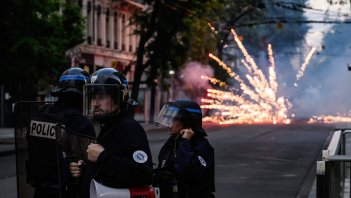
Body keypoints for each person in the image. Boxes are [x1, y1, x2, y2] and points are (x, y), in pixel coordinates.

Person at [70, 67, 153, 197]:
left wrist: (102, 156)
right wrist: (84, 169)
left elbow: (143, 173)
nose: (95, 104)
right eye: (93, 97)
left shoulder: (129, 128)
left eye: (102, 96)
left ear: (119, 97)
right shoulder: (109, 126)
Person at [26, 67, 96, 198]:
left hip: (40, 191)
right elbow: (88, 166)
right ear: (85, 94)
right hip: (66, 192)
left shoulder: (40, 113)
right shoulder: (81, 122)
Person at [153, 99, 215, 198]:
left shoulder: (201, 146)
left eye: (173, 119)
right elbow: (165, 168)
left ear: (187, 121)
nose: (169, 123)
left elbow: (186, 170)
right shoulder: (173, 141)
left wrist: (185, 141)